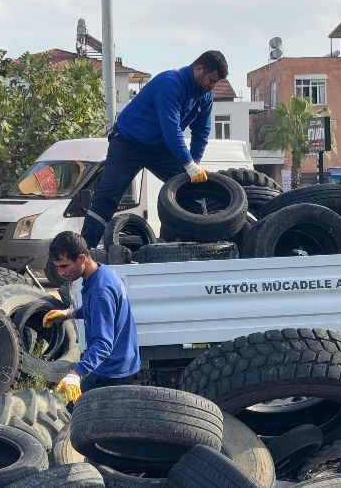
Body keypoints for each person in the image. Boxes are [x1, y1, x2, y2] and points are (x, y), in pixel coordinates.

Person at [81, 50, 229, 247]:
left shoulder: (205, 96)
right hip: (128, 143)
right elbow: (171, 128)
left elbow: (202, 130)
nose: (212, 86)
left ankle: (191, 247)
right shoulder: (170, 83)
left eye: (216, 82)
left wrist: (195, 162)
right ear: (199, 69)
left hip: (161, 149)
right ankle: (83, 250)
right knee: (108, 195)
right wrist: (187, 163)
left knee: (192, 192)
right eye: (211, 80)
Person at [42, 231, 140, 404]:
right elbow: (99, 311)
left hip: (112, 371)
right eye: (57, 267)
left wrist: (75, 373)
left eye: (64, 266)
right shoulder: (103, 272)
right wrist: (70, 314)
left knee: (73, 412)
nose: (61, 273)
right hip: (122, 362)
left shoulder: (100, 291)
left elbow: (103, 344)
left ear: (81, 259)